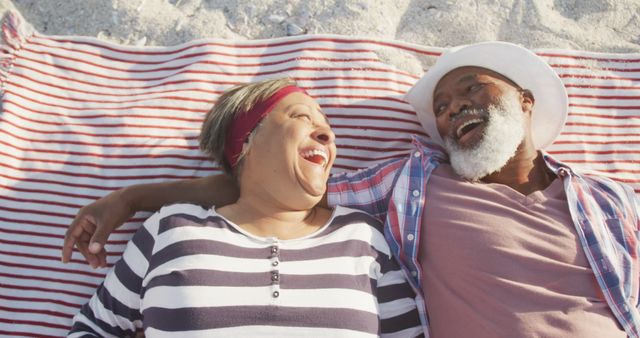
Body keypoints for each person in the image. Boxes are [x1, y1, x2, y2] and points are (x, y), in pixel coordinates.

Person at [63, 42, 640, 337]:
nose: (452, 107)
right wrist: (131, 199)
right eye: (440, 106)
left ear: (525, 102)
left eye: (472, 88)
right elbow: (274, 192)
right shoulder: (412, 186)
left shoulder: (611, 202)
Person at [67, 78, 424, 337]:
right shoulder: (171, 229)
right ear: (246, 142)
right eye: (302, 117)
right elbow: (92, 329)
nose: (327, 135)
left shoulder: (361, 235)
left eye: (327, 126)